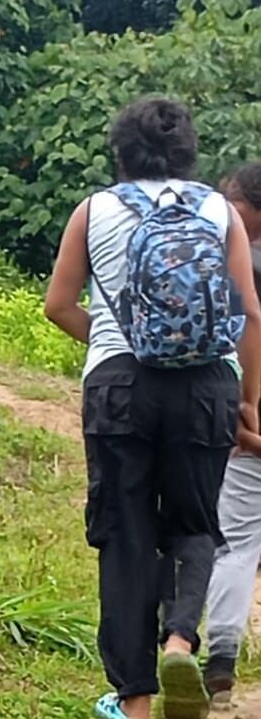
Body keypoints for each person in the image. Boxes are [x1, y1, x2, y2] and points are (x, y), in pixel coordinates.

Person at [44, 98, 261, 719]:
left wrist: (116, 343)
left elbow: (58, 305)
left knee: (126, 534)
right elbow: (249, 312)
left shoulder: (94, 210)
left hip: (119, 388)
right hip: (205, 386)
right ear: (188, 151)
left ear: (121, 151)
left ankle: (135, 701)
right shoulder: (220, 211)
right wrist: (247, 400)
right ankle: (180, 639)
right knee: (196, 523)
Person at [204, 161, 261, 707]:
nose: (222, 206)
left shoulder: (236, 261)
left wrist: (245, 409)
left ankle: (219, 655)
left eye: (230, 198)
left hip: (246, 418)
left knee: (236, 543)